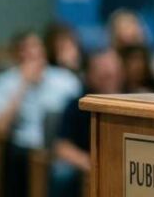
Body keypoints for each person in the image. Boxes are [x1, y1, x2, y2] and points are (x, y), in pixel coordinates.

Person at [0, 30, 82, 196]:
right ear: (16, 55)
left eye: (36, 47)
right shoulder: (4, 81)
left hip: (60, 147)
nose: (32, 53)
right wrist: (23, 84)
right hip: (23, 150)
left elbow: (79, 116)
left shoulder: (65, 79)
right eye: (25, 49)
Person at [52, 48, 123, 197]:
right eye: (103, 74)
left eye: (113, 74)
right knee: (62, 173)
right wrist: (91, 164)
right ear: (90, 75)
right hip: (84, 166)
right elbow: (62, 147)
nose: (109, 77)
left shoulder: (132, 104)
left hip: (122, 166)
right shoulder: (77, 104)